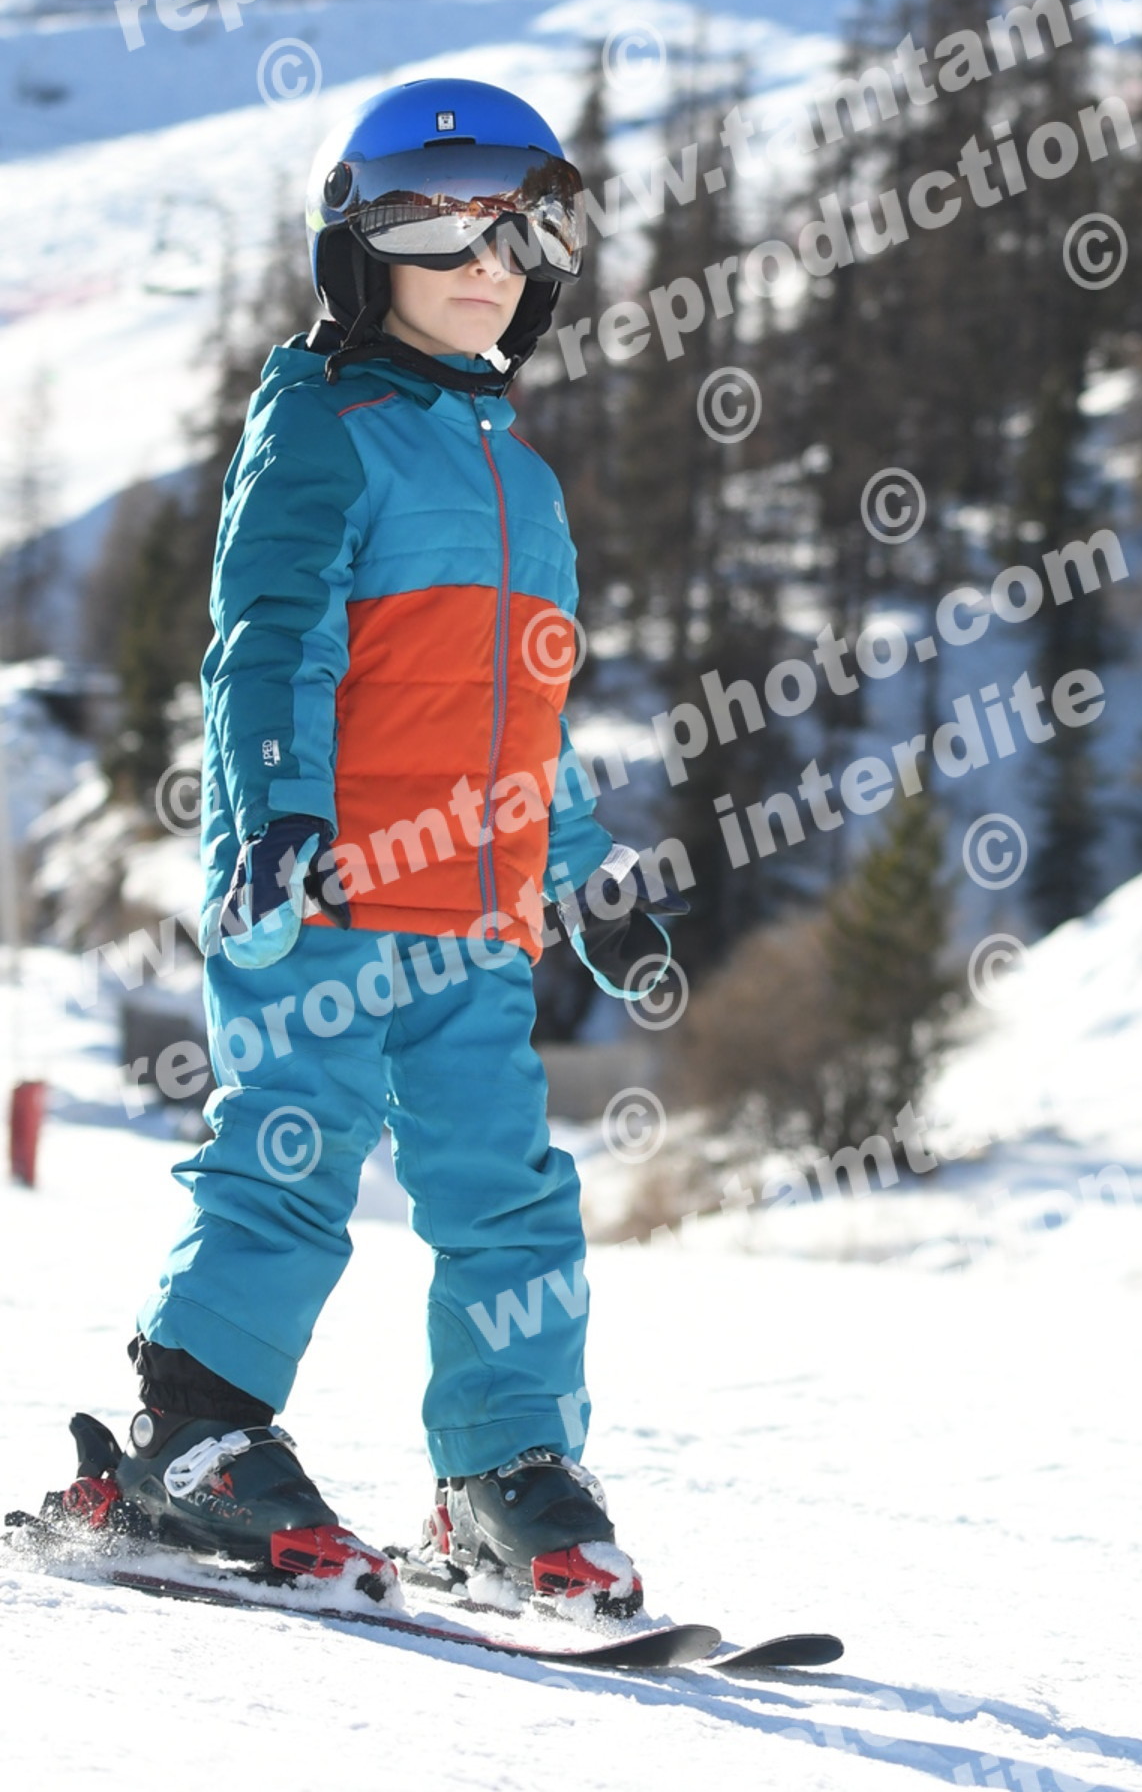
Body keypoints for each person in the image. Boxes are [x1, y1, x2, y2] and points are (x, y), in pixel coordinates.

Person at [87, 77, 683, 1613]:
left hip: (474, 922)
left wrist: (580, 875)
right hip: (323, 892)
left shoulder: (521, 480)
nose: (486, 265)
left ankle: (506, 1474)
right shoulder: (320, 431)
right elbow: (268, 641)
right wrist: (276, 820)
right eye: (437, 231)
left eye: (522, 234)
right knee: (292, 1159)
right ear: (359, 253)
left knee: (512, 1199)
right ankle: (196, 1436)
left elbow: (524, 715)